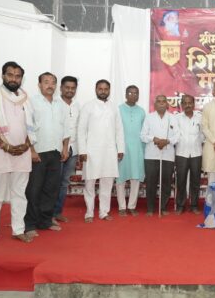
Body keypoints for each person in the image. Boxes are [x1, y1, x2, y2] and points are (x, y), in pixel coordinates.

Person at [0, 62, 34, 249]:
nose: (13, 79)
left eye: (17, 76)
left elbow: (32, 126)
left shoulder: (26, 99)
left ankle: (18, 229)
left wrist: (26, 145)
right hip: (0, 152)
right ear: (2, 76)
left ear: (21, 79)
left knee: (19, 194)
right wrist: (5, 145)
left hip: (22, 153)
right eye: (10, 75)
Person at [24, 73, 70, 238]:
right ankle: (29, 224)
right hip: (38, 151)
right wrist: (31, 150)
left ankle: (45, 221)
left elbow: (66, 128)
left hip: (56, 152)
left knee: (51, 189)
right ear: (39, 85)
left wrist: (65, 148)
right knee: (34, 189)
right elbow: (27, 127)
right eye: (46, 82)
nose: (50, 85)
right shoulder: (31, 102)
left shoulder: (60, 105)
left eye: (53, 83)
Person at [77, 80, 124, 222]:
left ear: (109, 90)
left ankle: (104, 212)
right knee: (90, 183)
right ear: (96, 89)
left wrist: (120, 148)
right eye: (100, 89)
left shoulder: (114, 107)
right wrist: (82, 150)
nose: (103, 91)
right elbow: (81, 130)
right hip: (91, 151)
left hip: (109, 151)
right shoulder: (88, 106)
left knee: (107, 183)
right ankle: (89, 213)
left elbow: (119, 129)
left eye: (106, 89)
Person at [141, 95, 179, 216]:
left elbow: (177, 136)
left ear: (167, 104)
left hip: (168, 155)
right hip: (151, 155)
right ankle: (150, 208)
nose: (161, 103)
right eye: (159, 101)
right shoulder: (149, 117)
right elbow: (143, 136)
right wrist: (154, 139)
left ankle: (163, 207)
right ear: (155, 104)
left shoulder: (173, 118)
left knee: (166, 183)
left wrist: (167, 141)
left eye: (163, 101)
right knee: (151, 183)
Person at [116, 85, 146, 217]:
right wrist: (117, 148)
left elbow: (144, 132)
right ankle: (122, 207)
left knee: (136, 178)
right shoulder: (118, 110)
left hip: (138, 149)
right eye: (130, 93)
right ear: (125, 94)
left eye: (136, 93)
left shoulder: (141, 112)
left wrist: (144, 151)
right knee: (120, 179)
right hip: (122, 149)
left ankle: (132, 206)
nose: (133, 95)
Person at [53, 76, 80, 223]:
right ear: (61, 88)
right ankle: (48, 214)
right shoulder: (54, 104)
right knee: (53, 182)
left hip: (73, 150)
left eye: (73, 88)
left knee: (64, 183)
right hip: (57, 149)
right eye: (67, 87)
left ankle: (57, 212)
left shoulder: (77, 106)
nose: (70, 90)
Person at [175, 94, 204, 214]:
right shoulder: (177, 118)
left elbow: (203, 134)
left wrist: (198, 143)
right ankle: (180, 205)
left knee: (195, 181)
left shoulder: (200, 117)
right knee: (181, 181)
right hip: (181, 153)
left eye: (190, 103)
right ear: (182, 105)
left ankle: (194, 205)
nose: (188, 105)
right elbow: (175, 135)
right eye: (185, 103)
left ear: (194, 104)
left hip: (196, 153)